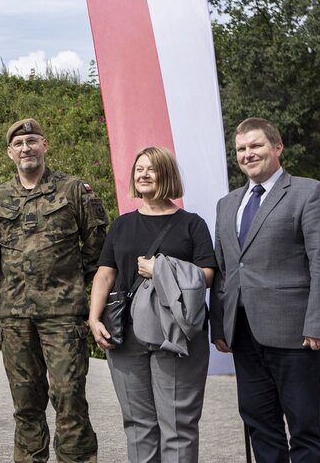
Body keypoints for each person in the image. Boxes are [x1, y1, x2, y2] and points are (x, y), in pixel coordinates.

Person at [210, 118, 320, 463]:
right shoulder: (227, 205)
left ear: (277, 147)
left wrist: (319, 323)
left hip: (295, 334)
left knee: (305, 427)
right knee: (259, 423)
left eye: (256, 146)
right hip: (242, 334)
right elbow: (226, 271)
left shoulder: (309, 192)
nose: (248, 154)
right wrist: (220, 326)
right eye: (241, 149)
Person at [0, 118, 107, 463]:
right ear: (10, 152)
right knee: (26, 402)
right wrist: (19, 279)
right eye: (19, 144)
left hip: (64, 314)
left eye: (32, 141)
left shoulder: (73, 190)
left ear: (45, 145)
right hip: (16, 316)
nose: (26, 148)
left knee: (69, 397)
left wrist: (67, 279)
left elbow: (97, 244)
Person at [88, 147, 217, 463]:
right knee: (138, 425)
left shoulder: (191, 224)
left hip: (175, 334)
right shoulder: (121, 224)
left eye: (151, 169)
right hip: (125, 336)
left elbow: (208, 275)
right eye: (138, 169)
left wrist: (160, 268)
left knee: (177, 426)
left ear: (167, 175)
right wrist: (93, 318)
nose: (143, 175)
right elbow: (105, 274)